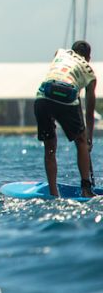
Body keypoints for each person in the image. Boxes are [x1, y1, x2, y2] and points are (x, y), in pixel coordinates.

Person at [34, 41, 96, 198]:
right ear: (88, 57)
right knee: (80, 142)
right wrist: (88, 138)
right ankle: (86, 189)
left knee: (50, 147)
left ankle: (53, 194)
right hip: (66, 96)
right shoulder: (89, 72)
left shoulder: (59, 53)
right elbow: (89, 112)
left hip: (43, 97)